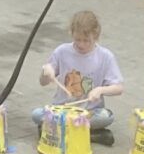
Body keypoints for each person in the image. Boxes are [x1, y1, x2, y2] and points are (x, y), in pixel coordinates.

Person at [37, 10, 124, 143]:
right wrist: (46, 72)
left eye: (86, 41)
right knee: (36, 114)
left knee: (107, 117)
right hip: (62, 110)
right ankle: (88, 135)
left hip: (89, 111)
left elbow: (119, 88)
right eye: (77, 39)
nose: (81, 44)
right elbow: (42, 82)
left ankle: (58, 131)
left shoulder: (105, 56)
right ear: (71, 33)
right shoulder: (62, 51)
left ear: (96, 36)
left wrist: (101, 90)